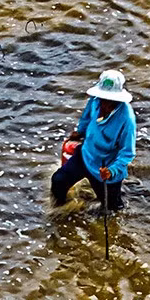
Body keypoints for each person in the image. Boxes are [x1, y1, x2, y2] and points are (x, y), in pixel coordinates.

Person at [52, 69, 136, 210]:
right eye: (103, 98)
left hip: (105, 167)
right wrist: (80, 132)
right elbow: (86, 118)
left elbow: (127, 153)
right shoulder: (95, 101)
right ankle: (60, 213)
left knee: (112, 209)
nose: (104, 104)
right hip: (86, 155)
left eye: (110, 100)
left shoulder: (127, 119)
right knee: (58, 181)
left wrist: (112, 171)